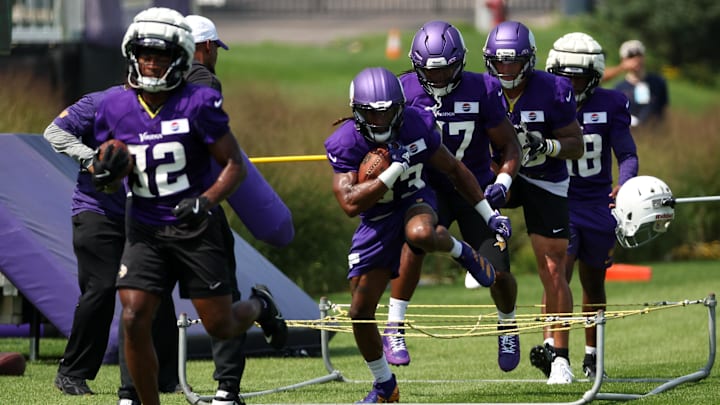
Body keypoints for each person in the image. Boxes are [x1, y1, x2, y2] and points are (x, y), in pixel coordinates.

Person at [91, 8, 287, 405]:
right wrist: (107, 172)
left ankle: (260, 304)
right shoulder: (115, 106)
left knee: (221, 323)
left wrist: (206, 200)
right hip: (144, 226)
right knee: (133, 317)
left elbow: (234, 165)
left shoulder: (199, 101)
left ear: (180, 57)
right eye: (144, 54)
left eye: (160, 55)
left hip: (194, 227)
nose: (150, 63)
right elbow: (115, 171)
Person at [324, 66, 511, 402]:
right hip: (376, 220)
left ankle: (464, 253)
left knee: (421, 232)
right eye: (371, 114)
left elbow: (455, 168)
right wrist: (393, 169)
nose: (380, 122)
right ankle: (385, 386)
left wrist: (489, 213)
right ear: (356, 111)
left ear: (400, 106)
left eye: (388, 113)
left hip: (415, 199)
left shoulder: (417, 122)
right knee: (359, 311)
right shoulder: (345, 141)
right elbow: (350, 204)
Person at [381, 20, 522, 372]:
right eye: (432, 71)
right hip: (427, 186)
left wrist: (503, 181)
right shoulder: (404, 89)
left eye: (446, 70)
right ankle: (394, 325)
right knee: (413, 244)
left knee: (499, 272)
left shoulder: (483, 88)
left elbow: (509, 144)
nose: (439, 78)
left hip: (474, 187)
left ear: (460, 62)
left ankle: (507, 324)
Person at [44, 87, 181, 399]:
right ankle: (72, 373)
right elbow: (54, 132)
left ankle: (165, 377)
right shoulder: (99, 102)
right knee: (103, 287)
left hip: (144, 215)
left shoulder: (172, 108)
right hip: (97, 212)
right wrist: (93, 160)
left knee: (154, 287)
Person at [482, 20, 584, 384]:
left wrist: (548, 146)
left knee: (554, 267)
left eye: (513, 63)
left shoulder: (554, 89)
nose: (506, 70)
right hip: (498, 175)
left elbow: (576, 142)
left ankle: (559, 357)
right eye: (500, 62)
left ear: (529, 60)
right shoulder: (481, 88)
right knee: (467, 200)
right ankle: (478, 258)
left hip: (545, 177)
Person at [546, 32, 638, 378]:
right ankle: (557, 355)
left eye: (578, 78)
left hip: (598, 204)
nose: (569, 85)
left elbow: (627, 153)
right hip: (558, 199)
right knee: (558, 275)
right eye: (564, 78)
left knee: (594, 282)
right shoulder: (545, 102)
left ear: (595, 76)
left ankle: (591, 356)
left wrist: (624, 185)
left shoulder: (611, 103)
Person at [184, 14, 247, 405]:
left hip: (146, 208)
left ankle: (130, 394)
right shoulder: (205, 81)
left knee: (141, 304)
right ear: (207, 47)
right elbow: (221, 152)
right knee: (224, 294)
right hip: (198, 205)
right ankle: (226, 388)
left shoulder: (138, 85)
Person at [602, 39, 668, 127]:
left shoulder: (658, 82)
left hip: (655, 134)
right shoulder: (619, 88)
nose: (636, 59)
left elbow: (664, 110)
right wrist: (621, 67)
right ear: (623, 60)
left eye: (639, 54)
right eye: (631, 56)